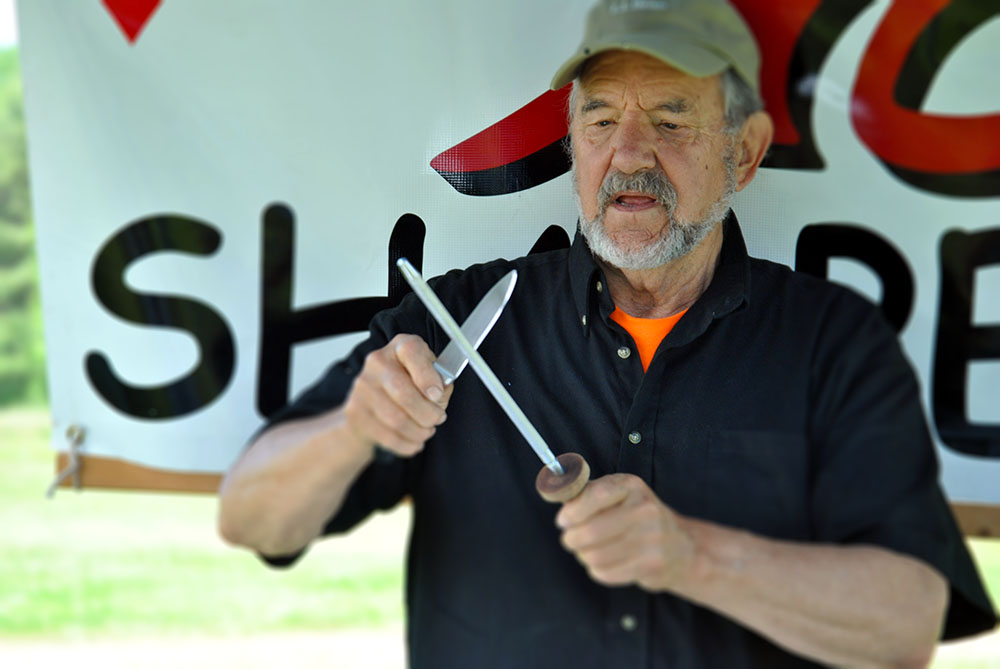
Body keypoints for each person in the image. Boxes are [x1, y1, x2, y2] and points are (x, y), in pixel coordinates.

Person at [218, 0, 997, 666]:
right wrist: (353, 428)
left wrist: (697, 558)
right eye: (600, 118)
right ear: (572, 146)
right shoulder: (457, 320)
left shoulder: (833, 343)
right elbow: (249, 516)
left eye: (670, 117)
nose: (628, 154)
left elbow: (909, 624)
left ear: (747, 150)